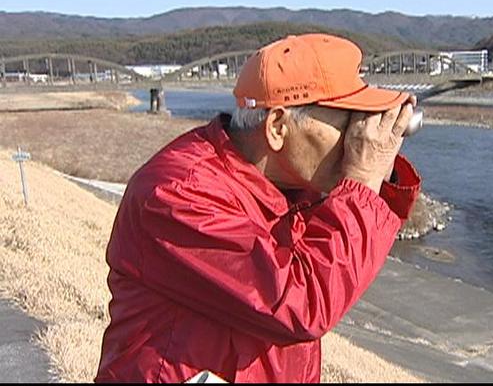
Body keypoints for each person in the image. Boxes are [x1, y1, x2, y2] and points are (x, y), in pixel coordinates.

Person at [95, 33, 421, 383]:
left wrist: (378, 176)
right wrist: (361, 179)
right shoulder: (177, 195)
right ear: (278, 127)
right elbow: (301, 303)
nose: (358, 137)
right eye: (348, 124)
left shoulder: (287, 188)